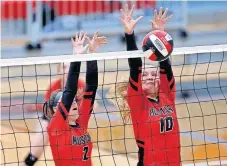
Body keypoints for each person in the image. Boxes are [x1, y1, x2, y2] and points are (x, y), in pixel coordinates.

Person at [118, 4, 180, 166]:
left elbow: (165, 65)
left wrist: (160, 34)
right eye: (145, 75)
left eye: (154, 74)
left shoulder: (168, 95)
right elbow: (135, 67)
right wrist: (129, 34)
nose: (151, 77)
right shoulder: (137, 101)